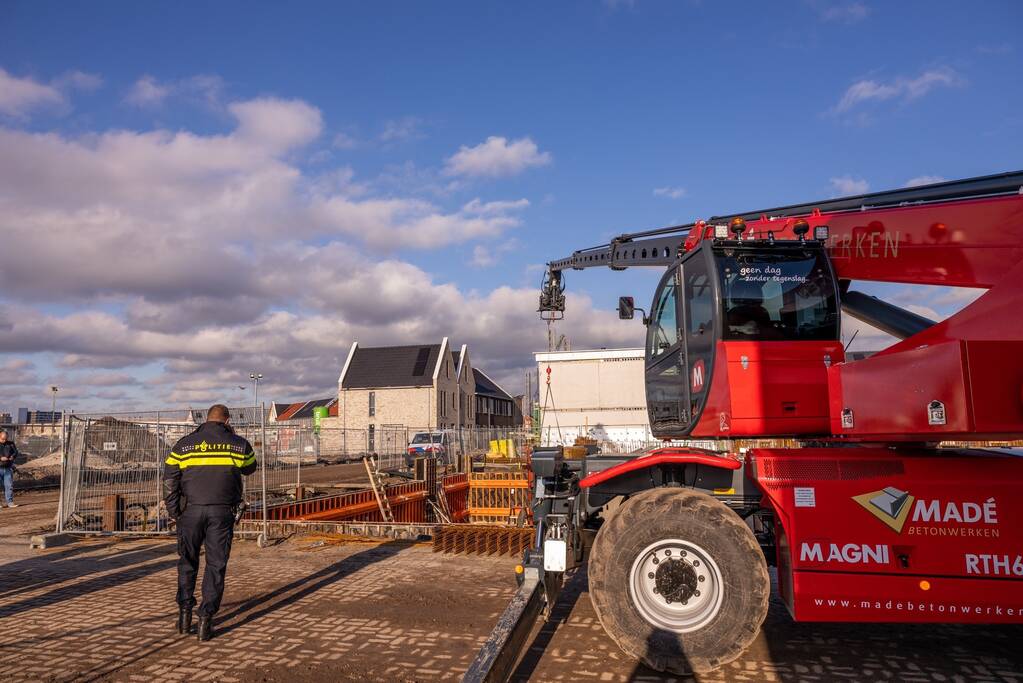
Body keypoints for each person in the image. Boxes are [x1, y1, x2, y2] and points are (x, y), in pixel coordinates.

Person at [164, 404, 256, 641]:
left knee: (187, 562)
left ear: (206, 419)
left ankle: (184, 615)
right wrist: (232, 437)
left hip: (190, 513)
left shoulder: (184, 445)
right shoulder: (238, 444)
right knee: (216, 565)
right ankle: (206, 618)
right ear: (227, 421)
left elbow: (170, 478)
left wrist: (175, 511)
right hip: (222, 514)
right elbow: (250, 468)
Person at [0, 430, 19, 508]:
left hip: (8, 468)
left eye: (5, 439)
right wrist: (0, 458)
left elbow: (16, 452)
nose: (4, 441)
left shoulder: (11, 444)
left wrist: (12, 457)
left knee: (9, 486)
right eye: (2, 439)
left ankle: (10, 502)